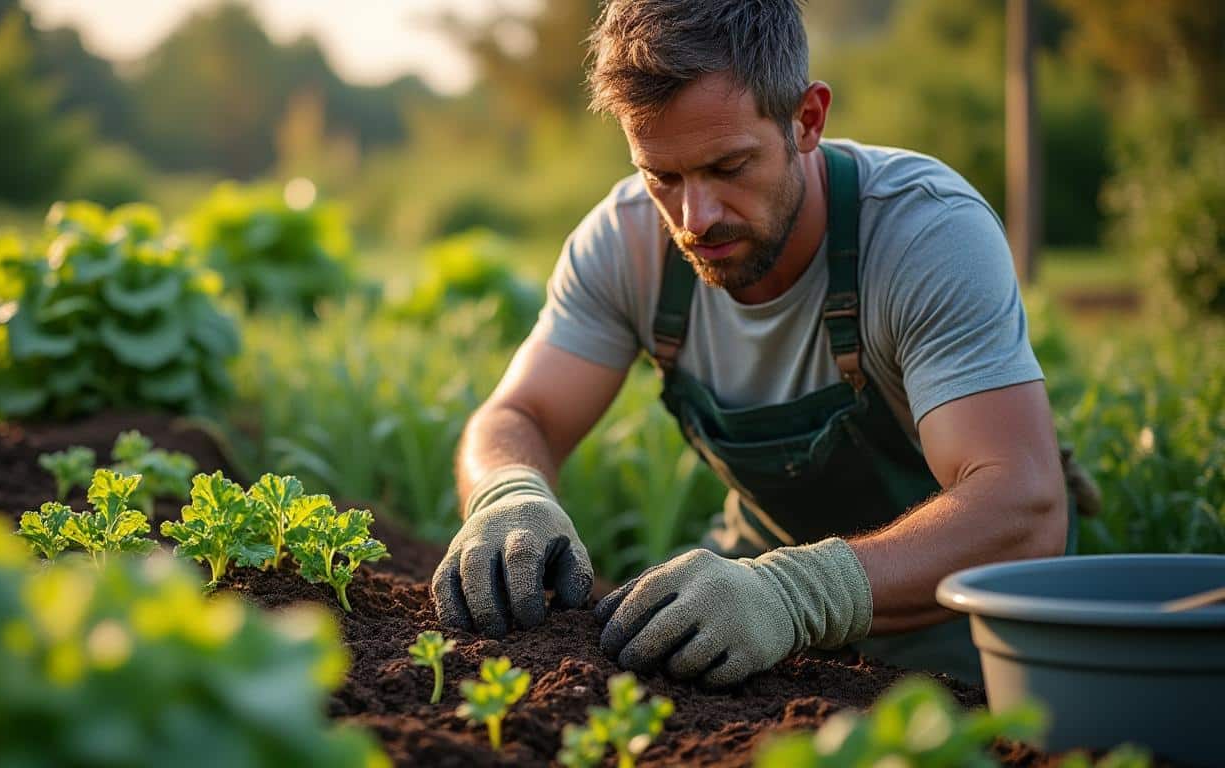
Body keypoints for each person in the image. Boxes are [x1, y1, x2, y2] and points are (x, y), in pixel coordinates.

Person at [429, 0, 1089, 687]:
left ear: (807, 120)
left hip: (969, 643)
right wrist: (509, 493)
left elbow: (1023, 505)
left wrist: (797, 593)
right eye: (664, 176)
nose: (695, 218)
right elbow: (519, 415)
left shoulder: (923, 233)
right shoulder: (626, 243)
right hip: (751, 622)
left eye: (729, 166)